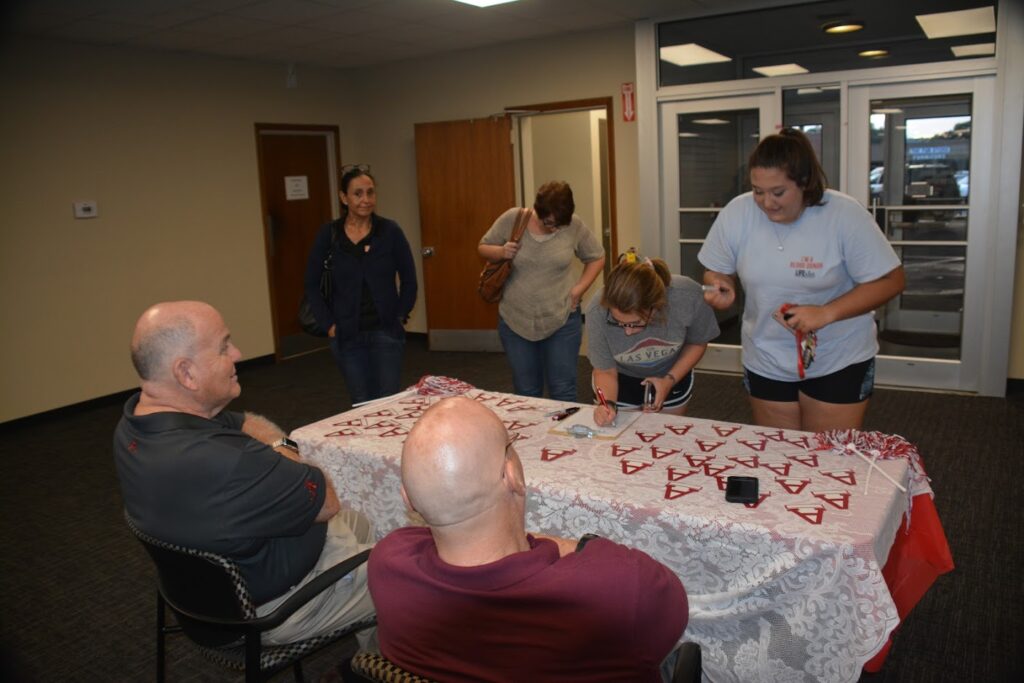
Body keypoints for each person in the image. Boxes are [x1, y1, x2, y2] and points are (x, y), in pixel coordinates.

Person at [367, 397, 687, 682]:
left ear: (407, 499)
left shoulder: (386, 563)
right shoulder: (618, 587)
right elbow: (671, 620)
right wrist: (566, 545)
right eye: (511, 445)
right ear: (512, 475)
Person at [113, 301, 375, 645]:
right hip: (275, 609)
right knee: (413, 582)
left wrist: (275, 448)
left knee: (362, 525)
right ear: (186, 373)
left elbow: (243, 420)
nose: (237, 353)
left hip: (207, 598)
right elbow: (326, 501)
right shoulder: (228, 461)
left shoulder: (134, 425)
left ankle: (368, 657)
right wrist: (283, 447)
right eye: (223, 347)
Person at [698, 128, 905, 432]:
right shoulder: (737, 213)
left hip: (838, 355)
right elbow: (716, 271)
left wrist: (825, 313)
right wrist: (720, 285)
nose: (766, 202)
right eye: (758, 191)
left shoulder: (844, 214)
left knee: (828, 458)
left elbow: (891, 280)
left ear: (805, 183)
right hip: (766, 354)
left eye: (778, 192)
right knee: (781, 454)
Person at [479, 181, 605, 401]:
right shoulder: (513, 218)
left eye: (559, 225)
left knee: (563, 389)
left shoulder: (574, 225)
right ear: (538, 210)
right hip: (515, 320)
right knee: (527, 392)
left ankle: (562, 436)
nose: (555, 229)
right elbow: (483, 247)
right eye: (549, 223)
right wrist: (501, 251)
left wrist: (578, 289)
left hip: (562, 318)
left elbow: (596, 257)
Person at [304, 164, 417, 405]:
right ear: (344, 198)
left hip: (385, 332)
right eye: (358, 193)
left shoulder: (389, 231)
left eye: (370, 192)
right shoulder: (329, 234)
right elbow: (312, 284)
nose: (366, 199)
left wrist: (400, 315)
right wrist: (329, 325)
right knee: (360, 402)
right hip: (346, 335)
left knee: (388, 403)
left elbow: (409, 279)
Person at [586, 256, 720, 426]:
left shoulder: (687, 296)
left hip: (672, 373)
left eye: (635, 323)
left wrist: (669, 380)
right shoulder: (597, 310)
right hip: (620, 381)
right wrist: (609, 405)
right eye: (617, 322)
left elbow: (697, 342)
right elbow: (605, 371)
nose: (627, 331)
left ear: (657, 306)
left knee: (667, 435)